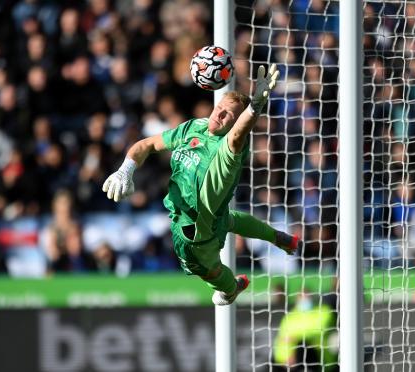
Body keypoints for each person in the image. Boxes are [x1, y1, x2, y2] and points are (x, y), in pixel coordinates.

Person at [103, 64, 301, 305]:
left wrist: (254, 107)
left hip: (195, 234)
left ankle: (232, 288)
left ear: (236, 123)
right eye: (219, 108)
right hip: (213, 216)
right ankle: (276, 236)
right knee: (228, 219)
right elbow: (147, 144)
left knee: (209, 272)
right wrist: (126, 170)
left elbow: (238, 135)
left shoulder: (229, 150)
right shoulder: (194, 127)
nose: (218, 115)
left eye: (227, 115)